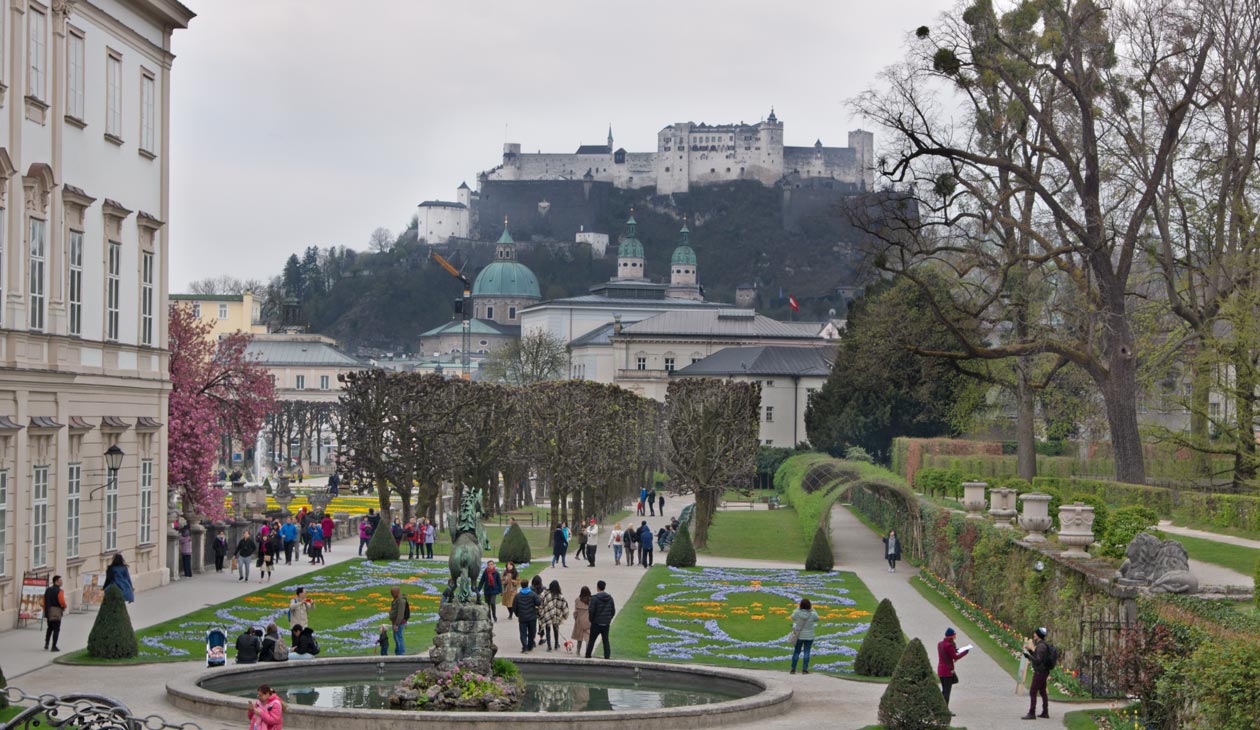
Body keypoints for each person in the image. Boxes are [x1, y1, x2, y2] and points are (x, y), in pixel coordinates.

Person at [1022, 627, 1052, 720]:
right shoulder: (1043, 645)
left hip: (1040, 672)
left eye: (1035, 633)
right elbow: (1039, 656)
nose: (1034, 635)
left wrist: (1028, 656)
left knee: (1033, 691)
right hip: (1044, 671)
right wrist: (1030, 651)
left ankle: (1032, 713)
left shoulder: (1041, 646)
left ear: (1038, 635)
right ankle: (1045, 712)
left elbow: (1038, 660)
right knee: (1043, 691)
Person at [937, 627, 969, 712]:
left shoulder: (940, 644)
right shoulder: (949, 645)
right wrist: (965, 652)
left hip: (941, 670)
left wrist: (955, 650)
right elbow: (955, 656)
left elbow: (949, 653)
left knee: (944, 690)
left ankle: (941, 708)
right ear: (952, 636)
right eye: (954, 635)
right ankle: (944, 710)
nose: (955, 636)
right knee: (947, 692)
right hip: (947, 671)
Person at [789, 598, 820, 674]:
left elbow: (792, 617)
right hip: (809, 636)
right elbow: (817, 618)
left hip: (799, 635)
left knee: (796, 652)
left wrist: (797, 608)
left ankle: (793, 669)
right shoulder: (812, 613)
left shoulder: (798, 612)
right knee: (807, 652)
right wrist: (813, 609)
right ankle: (804, 669)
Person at [586, 580, 615, 659]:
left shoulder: (594, 598)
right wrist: (608, 619)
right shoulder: (610, 598)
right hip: (605, 623)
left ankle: (588, 655)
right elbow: (613, 611)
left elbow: (591, 611)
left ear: (597, 587)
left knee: (592, 640)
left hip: (596, 623)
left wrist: (591, 620)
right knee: (605, 640)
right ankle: (607, 656)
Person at [512, 579, 542, 653]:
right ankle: (530, 646)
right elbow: (538, 603)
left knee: (523, 633)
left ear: (521, 586)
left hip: (522, 617)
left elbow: (514, 607)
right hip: (532, 617)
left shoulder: (518, 596)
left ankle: (524, 647)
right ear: (528, 584)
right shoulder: (532, 594)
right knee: (532, 632)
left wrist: (517, 614)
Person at [540, 580, 569, 651]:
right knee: (556, 629)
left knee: (548, 630)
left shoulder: (545, 593)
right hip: (556, 615)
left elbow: (540, 603)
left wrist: (540, 612)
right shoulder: (560, 595)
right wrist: (564, 614)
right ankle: (556, 644)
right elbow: (564, 605)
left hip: (547, 615)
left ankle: (549, 646)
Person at [43, 575, 66, 651]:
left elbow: (44, 601)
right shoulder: (60, 591)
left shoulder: (48, 590)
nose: (61, 582)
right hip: (56, 612)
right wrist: (64, 606)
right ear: (56, 581)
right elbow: (62, 601)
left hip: (48, 611)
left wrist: (45, 611)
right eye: (60, 580)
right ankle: (54, 646)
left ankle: (46, 643)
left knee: (49, 628)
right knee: (56, 629)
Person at [572, 586, 592, 657]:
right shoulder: (591, 600)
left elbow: (575, 612)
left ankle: (578, 651)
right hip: (587, 620)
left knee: (579, 637)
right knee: (588, 638)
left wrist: (575, 618)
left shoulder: (577, 600)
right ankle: (587, 652)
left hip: (579, 620)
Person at [389, 587, 409, 655]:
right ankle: (398, 652)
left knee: (398, 638)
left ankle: (400, 653)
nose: (391, 594)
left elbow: (400, 614)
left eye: (392, 593)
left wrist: (396, 624)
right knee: (396, 637)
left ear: (397, 593)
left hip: (398, 623)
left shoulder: (401, 601)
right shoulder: (396, 600)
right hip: (395, 622)